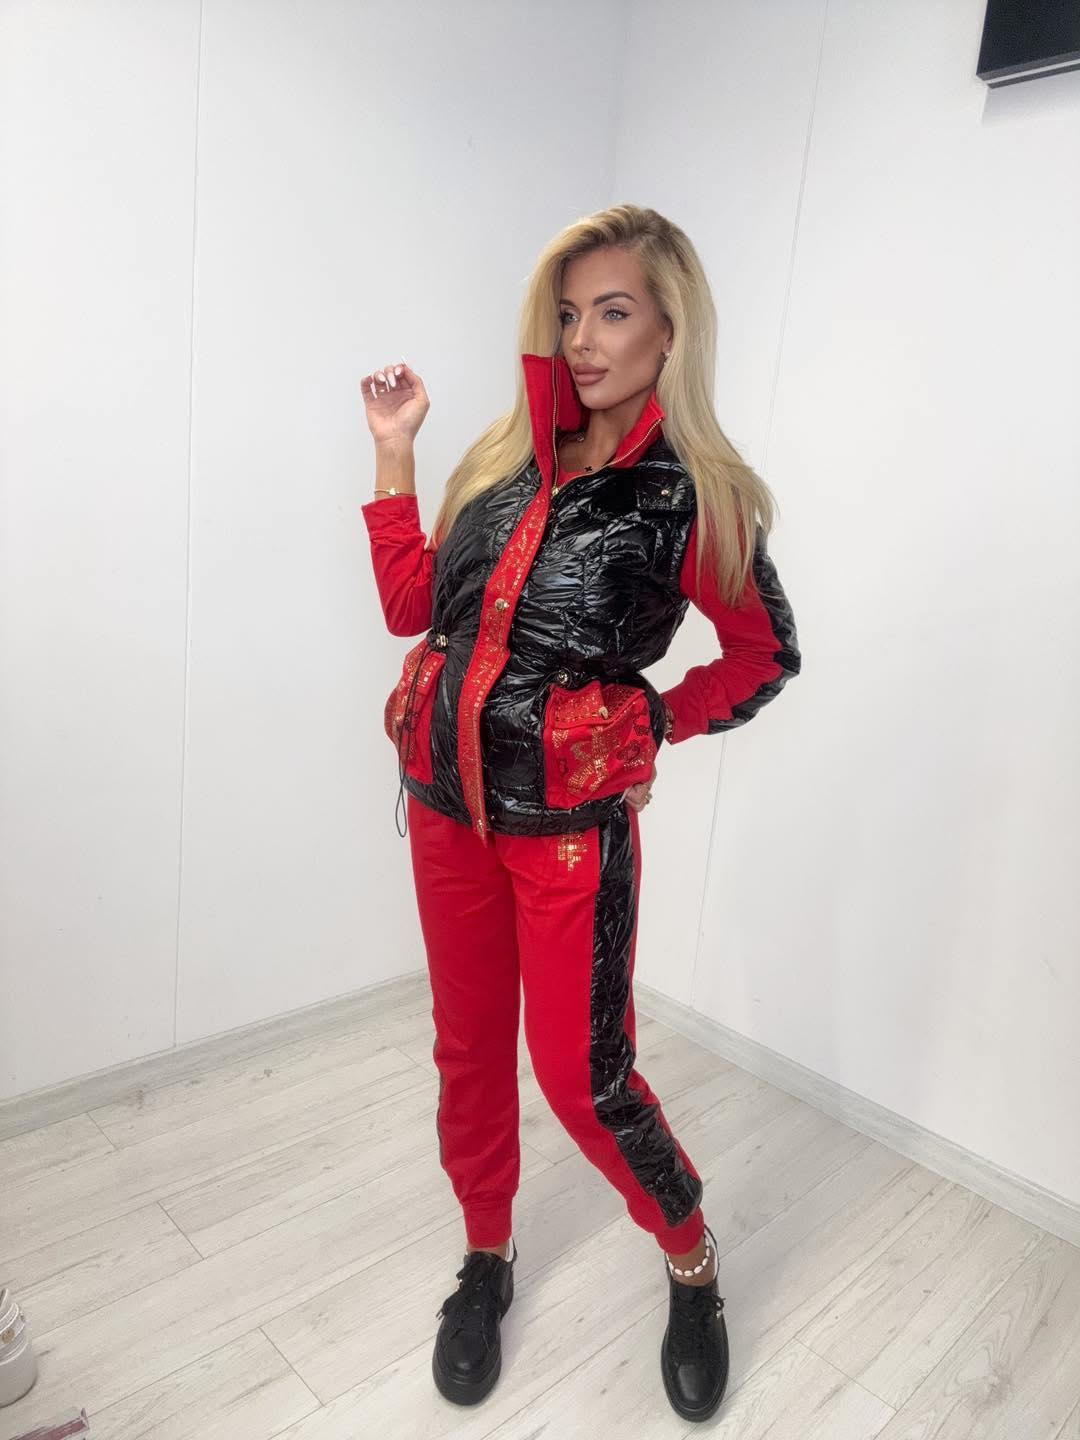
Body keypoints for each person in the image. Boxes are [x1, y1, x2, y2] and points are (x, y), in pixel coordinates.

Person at [358, 204, 801, 1422]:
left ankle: (691, 1259)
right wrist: (396, 451)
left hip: (566, 834)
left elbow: (765, 654)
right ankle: (486, 1254)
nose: (585, 340)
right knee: (466, 1051)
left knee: (583, 1079)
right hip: (445, 808)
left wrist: (652, 719)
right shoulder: (506, 461)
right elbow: (411, 607)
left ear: (670, 331)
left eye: (614, 312)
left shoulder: (691, 498)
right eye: (568, 314)